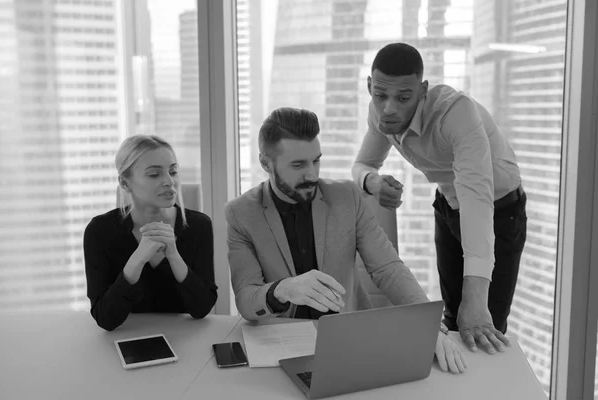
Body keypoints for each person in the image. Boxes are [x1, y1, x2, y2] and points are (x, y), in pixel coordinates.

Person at [226, 107, 466, 374]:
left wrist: (429, 324)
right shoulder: (241, 213)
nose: (312, 175)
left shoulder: (346, 197)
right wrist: (282, 289)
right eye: (298, 165)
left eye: (316, 161)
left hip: (349, 344)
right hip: (281, 349)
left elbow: (388, 268)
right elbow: (246, 299)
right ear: (265, 163)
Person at [352, 42, 527, 354]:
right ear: (370, 86)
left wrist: (476, 298)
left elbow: (477, 199)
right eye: (380, 95)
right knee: (452, 318)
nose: (389, 108)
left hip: (499, 209)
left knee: (486, 326)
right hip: (447, 204)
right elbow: (362, 165)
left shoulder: (456, 114)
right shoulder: (381, 112)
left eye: (403, 98)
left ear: (422, 92)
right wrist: (373, 182)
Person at [83, 135, 218, 331]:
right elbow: (105, 319)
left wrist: (173, 255)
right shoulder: (99, 231)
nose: (169, 181)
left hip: (185, 339)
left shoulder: (199, 226)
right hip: (125, 341)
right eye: (154, 174)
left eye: (173, 171)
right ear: (125, 183)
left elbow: (202, 308)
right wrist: (137, 259)